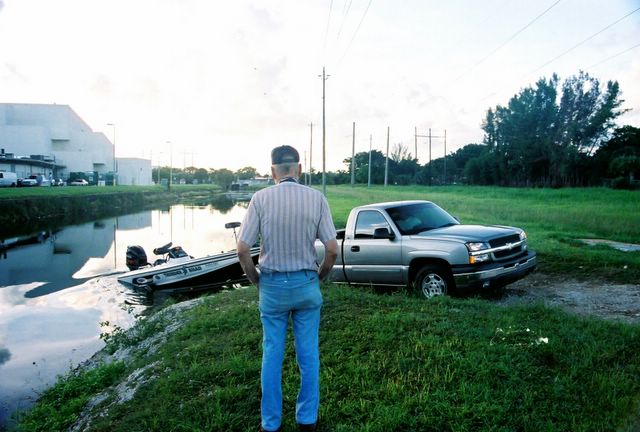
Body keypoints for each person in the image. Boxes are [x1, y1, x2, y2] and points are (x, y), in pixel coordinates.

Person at [237, 145, 338, 432]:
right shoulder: (316, 198)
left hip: (272, 286)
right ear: (299, 169)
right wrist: (319, 277)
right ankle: (307, 420)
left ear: (272, 172)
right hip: (306, 283)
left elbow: (243, 249)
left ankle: (270, 423)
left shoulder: (260, 198)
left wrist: (255, 279)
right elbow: (331, 249)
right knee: (308, 355)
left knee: (272, 354)